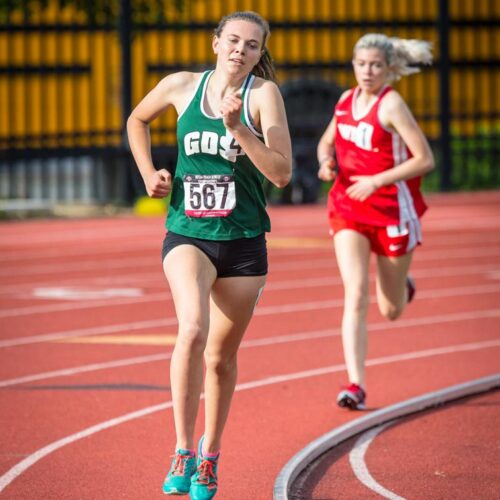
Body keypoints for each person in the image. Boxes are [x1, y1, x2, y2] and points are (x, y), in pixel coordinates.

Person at [127, 10, 291, 498]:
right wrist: (148, 172)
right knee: (192, 329)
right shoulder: (181, 86)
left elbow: (281, 174)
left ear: (261, 55)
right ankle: (181, 447)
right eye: (234, 40)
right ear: (216, 43)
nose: (241, 50)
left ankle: (209, 453)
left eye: (253, 45)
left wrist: (240, 129)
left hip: (243, 243)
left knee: (220, 358)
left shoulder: (264, 97)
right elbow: (137, 119)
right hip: (188, 234)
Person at [317, 33, 434, 411]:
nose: (367, 71)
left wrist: (377, 180)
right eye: (362, 64)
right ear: (353, 64)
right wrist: (325, 162)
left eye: (376, 66)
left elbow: (424, 159)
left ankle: (402, 287)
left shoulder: (392, 105)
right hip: (348, 206)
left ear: (388, 69)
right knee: (355, 293)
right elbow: (326, 142)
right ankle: (355, 383)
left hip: (391, 211)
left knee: (391, 309)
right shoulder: (344, 101)